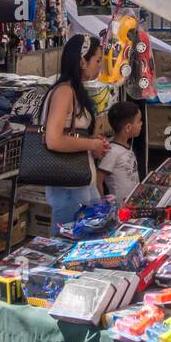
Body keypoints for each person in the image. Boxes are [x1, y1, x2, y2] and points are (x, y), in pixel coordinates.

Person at [43, 34, 110, 234]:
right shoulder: (64, 93)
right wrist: (91, 145)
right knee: (68, 241)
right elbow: (53, 140)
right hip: (67, 187)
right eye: (97, 60)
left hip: (79, 182)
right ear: (82, 61)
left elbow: (71, 134)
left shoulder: (74, 91)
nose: (100, 65)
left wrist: (93, 143)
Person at [97, 100, 143, 203]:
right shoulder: (112, 152)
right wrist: (102, 204)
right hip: (118, 209)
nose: (141, 124)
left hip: (131, 205)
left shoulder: (126, 146)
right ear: (128, 127)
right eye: (139, 121)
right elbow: (98, 180)